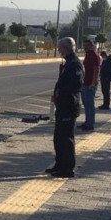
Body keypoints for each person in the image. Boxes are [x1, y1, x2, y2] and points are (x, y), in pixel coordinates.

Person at [47, 37, 84, 178]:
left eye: (60, 47)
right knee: (58, 137)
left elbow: (77, 84)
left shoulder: (74, 64)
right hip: (62, 105)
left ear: (66, 48)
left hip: (69, 105)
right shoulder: (68, 62)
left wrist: (60, 92)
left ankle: (67, 168)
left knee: (66, 139)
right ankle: (59, 164)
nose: (58, 49)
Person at [79, 38, 101, 130]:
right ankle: (87, 121)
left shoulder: (94, 56)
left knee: (90, 105)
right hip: (85, 83)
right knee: (86, 104)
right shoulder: (87, 55)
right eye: (85, 46)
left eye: (87, 46)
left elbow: (96, 70)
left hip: (90, 84)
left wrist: (93, 82)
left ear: (92, 46)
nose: (85, 48)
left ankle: (90, 123)